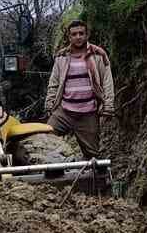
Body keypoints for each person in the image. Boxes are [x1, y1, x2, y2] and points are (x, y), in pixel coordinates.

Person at [45, 19, 115, 159]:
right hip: (64, 112)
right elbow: (54, 82)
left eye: (81, 33)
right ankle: (56, 173)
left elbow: (107, 82)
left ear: (87, 35)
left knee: (93, 156)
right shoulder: (61, 56)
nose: (78, 37)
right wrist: (49, 103)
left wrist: (108, 106)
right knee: (46, 139)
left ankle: (92, 179)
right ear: (69, 37)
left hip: (88, 114)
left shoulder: (98, 54)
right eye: (74, 34)